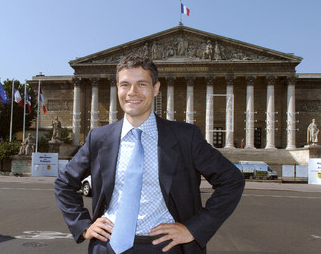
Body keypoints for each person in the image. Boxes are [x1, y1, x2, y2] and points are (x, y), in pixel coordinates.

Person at [54, 53, 245, 254]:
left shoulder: (185, 137)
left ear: (156, 89)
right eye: (125, 84)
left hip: (165, 247)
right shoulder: (99, 138)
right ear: (117, 88)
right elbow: (64, 183)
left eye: (142, 84)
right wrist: (83, 226)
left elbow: (232, 180)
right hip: (109, 246)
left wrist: (194, 229)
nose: (132, 92)